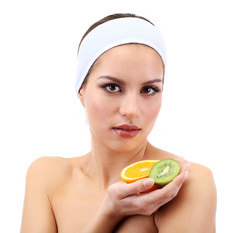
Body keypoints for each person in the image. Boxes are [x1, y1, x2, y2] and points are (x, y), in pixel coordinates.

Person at [20, 13, 217, 233]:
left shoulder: (185, 185)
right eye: (112, 87)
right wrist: (109, 214)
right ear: (81, 90)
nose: (131, 110)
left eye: (149, 89)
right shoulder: (47, 177)